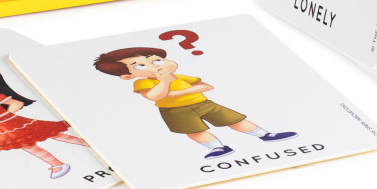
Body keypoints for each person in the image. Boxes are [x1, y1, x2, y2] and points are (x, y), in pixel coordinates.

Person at [94, 47, 296, 159]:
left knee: (234, 119)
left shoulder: (179, 76)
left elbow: (206, 86)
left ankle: (265, 135)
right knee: (194, 131)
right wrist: (165, 83)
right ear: (128, 76)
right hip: (175, 112)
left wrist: (180, 91)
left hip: (203, 103)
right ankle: (218, 148)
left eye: (155, 60)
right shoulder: (143, 82)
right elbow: (154, 96)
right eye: (139, 65)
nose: (155, 65)